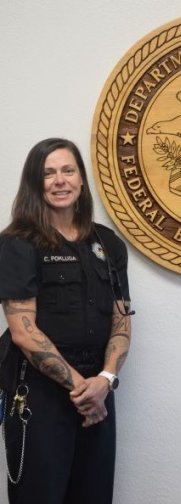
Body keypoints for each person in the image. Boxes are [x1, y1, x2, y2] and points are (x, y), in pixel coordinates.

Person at [0, 138, 132, 504]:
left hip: (99, 388)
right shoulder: (18, 244)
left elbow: (122, 322)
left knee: (94, 496)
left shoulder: (108, 244)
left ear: (81, 180)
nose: (60, 180)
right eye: (48, 173)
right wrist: (83, 392)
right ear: (35, 183)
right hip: (40, 392)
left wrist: (104, 381)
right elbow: (23, 334)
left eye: (68, 170)